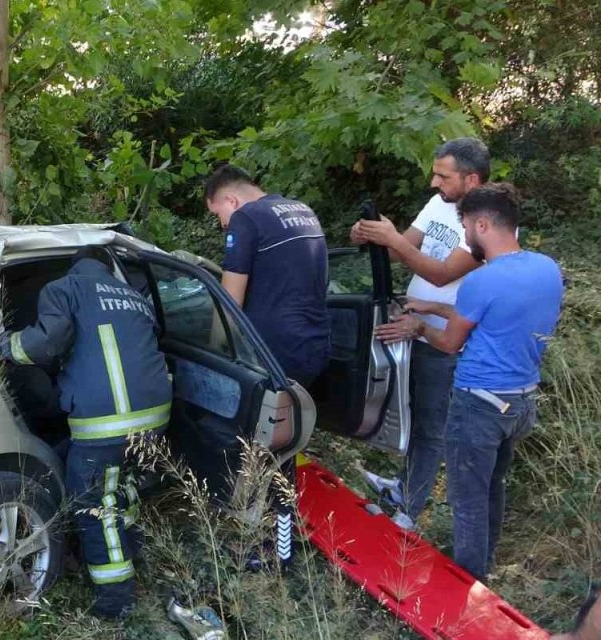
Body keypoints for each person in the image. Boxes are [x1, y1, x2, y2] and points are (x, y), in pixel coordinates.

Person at [379, 184, 563, 581]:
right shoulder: (546, 269)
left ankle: (468, 586)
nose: (464, 236)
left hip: (478, 405)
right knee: (493, 485)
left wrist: (418, 326)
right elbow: (496, 318)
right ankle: (487, 565)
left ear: (482, 223)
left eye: (464, 226)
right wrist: (434, 306)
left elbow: (448, 343)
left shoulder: (482, 280)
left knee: (467, 500)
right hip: (521, 402)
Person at [0, 246, 171, 619]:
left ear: (75, 267)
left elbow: (44, 343)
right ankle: (131, 554)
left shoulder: (65, 289)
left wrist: (3, 342)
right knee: (124, 491)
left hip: (107, 424)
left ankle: (114, 602)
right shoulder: (134, 297)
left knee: (93, 505)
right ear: (108, 268)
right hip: (155, 418)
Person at [352, 137, 489, 531]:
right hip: (413, 326)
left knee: (431, 424)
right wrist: (373, 237)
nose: (434, 183)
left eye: (443, 176)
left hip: (445, 337)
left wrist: (393, 239)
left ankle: (409, 512)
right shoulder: (440, 204)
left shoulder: (483, 224)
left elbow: (442, 273)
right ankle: (406, 487)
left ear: (472, 179)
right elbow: (403, 250)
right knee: (409, 410)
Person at [204, 164, 330, 385]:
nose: (222, 223)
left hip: (273, 351)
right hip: (316, 341)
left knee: (267, 419)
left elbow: (229, 303)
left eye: (217, 214)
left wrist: (214, 349)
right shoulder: (302, 210)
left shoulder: (245, 218)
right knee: (296, 414)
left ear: (231, 201)